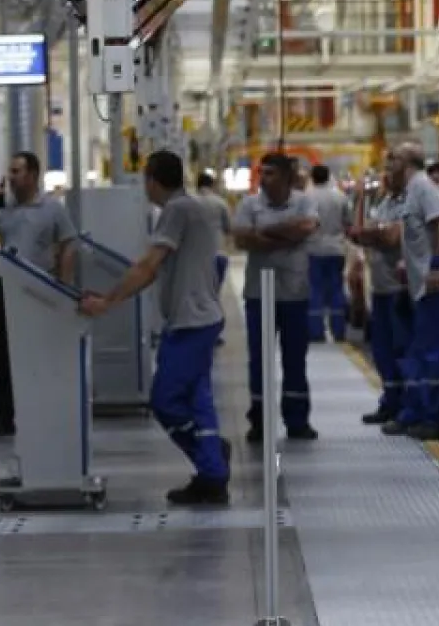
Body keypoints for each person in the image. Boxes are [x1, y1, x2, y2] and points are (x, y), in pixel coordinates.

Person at [79, 151, 231, 505]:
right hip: (198, 318)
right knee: (198, 399)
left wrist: (108, 301)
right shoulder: (193, 208)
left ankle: (211, 461)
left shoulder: (176, 211)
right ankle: (212, 472)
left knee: (165, 401)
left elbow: (148, 266)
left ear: (152, 180)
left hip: (191, 323)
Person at [0, 151, 77, 439]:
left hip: (40, 289)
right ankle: (4, 418)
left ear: (32, 175)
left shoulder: (52, 208)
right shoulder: (2, 209)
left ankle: (42, 412)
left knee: (40, 352)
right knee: (5, 356)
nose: (11, 177)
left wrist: (63, 287)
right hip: (6, 289)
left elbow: (69, 243)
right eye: (10, 171)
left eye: (17, 171)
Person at [232, 153, 320, 443]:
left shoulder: (304, 201)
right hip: (259, 295)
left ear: (284, 176)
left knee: (295, 359)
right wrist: (286, 233)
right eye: (262, 172)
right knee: (259, 360)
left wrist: (265, 233)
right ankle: (259, 421)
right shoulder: (249, 204)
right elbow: (243, 238)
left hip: (294, 293)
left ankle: (297, 421)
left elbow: (306, 228)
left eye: (270, 173)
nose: (264, 178)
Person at [381, 143, 439, 440]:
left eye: (393, 158)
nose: (387, 163)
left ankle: (437, 418)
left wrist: (436, 267)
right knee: (420, 353)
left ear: (408, 163)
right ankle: (415, 412)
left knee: (436, 355)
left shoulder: (423, 187)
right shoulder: (410, 192)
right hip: (423, 289)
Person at [348, 170, 412, 425]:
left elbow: (391, 236)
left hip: (400, 288)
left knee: (402, 350)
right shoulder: (384, 204)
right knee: (382, 350)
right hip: (380, 288)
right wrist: (363, 197)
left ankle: (407, 407)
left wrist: (373, 235)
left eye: (394, 166)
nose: (388, 173)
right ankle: (390, 402)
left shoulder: (409, 202)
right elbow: (357, 232)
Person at [305, 163, 353, 343]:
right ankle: (338, 331)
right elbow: (348, 222)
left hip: (313, 249)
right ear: (328, 176)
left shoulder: (307, 198)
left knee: (315, 289)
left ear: (313, 177)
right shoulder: (340, 197)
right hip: (336, 249)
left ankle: (316, 332)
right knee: (336, 289)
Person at [195, 172, 233, 341]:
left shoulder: (190, 203)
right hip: (218, 255)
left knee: (198, 294)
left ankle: (200, 329)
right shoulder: (220, 202)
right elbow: (229, 228)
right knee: (214, 295)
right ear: (212, 185)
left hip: (196, 259)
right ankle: (214, 332)